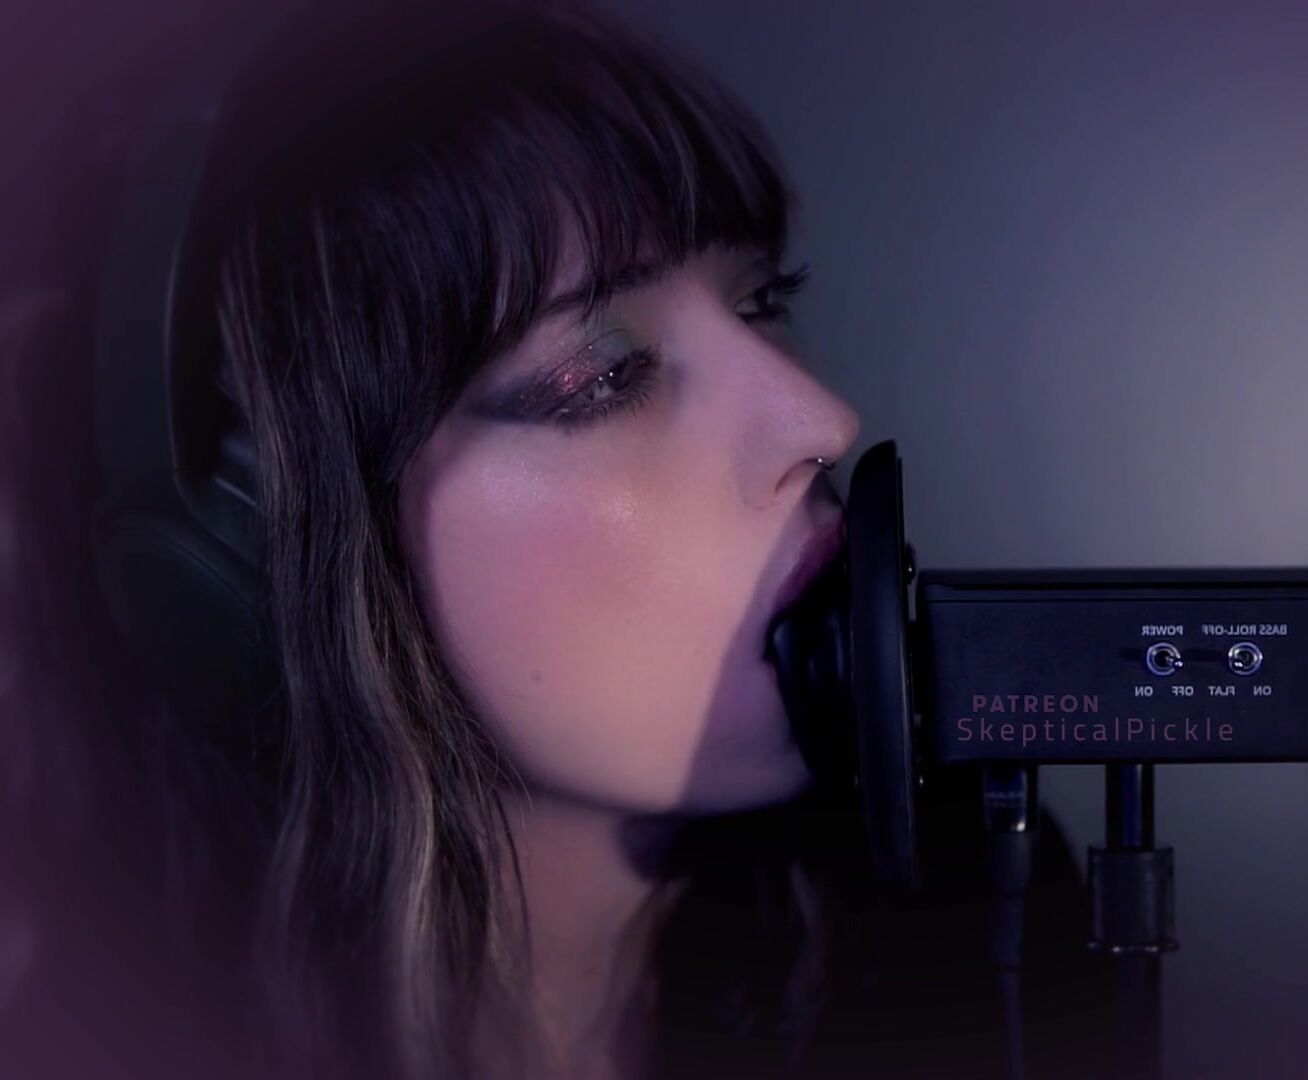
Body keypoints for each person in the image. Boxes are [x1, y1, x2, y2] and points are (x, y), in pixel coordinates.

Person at [0, 2, 1118, 1077]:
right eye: (604, 376)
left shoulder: (979, 926)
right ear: (257, 554)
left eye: (760, 302)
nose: (820, 421)